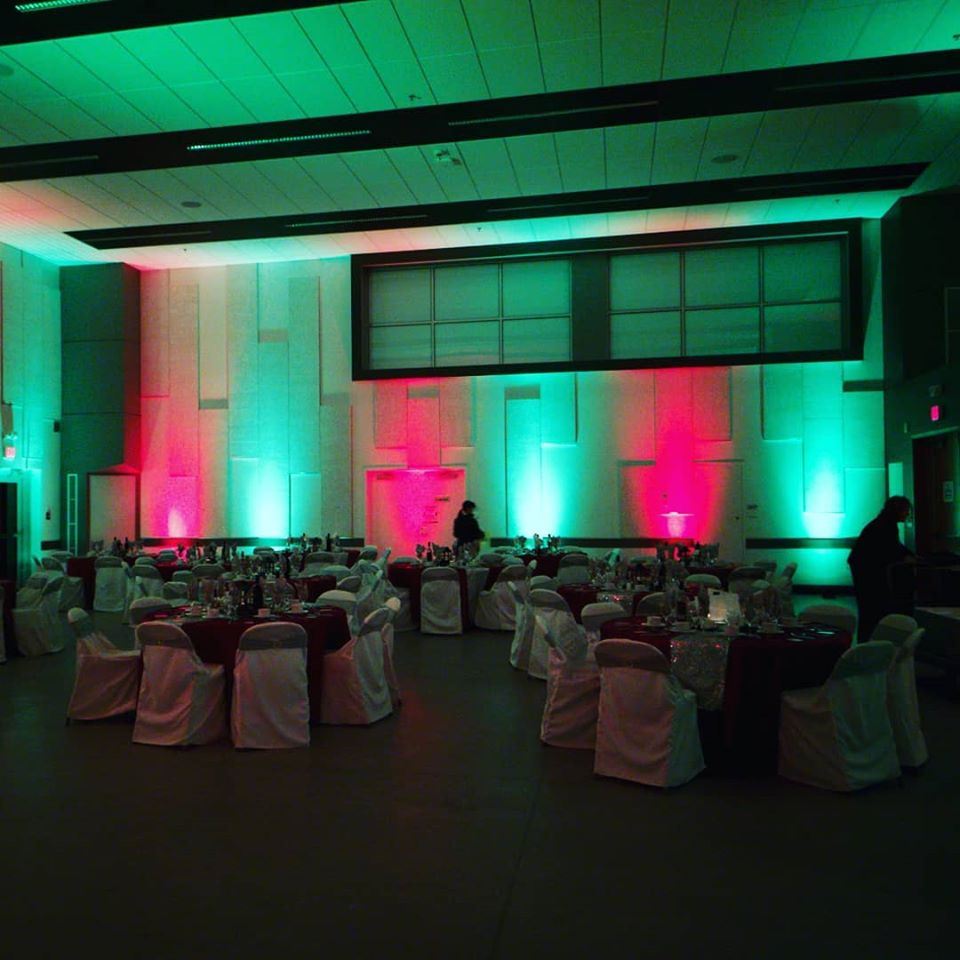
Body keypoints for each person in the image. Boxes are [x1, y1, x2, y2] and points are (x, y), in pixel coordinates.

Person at [847, 495, 914, 643]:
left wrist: (908, 555)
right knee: (872, 606)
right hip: (867, 570)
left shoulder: (883, 522)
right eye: (906, 510)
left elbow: (893, 546)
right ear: (898, 510)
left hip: (863, 568)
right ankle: (870, 642)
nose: (907, 514)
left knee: (869, 607)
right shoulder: (887, 525)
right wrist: (909, 556)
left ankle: (866, 642)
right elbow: (892, 548)